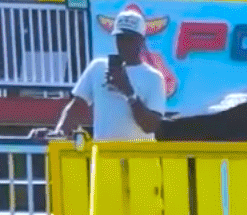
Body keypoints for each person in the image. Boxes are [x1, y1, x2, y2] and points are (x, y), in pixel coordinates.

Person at [54, 11, 167, 141]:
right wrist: (59, 132)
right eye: (120, 38)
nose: (124, 44)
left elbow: (151, 126)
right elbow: (77, 106)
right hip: (104, 157)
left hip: (139, 158)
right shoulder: (98, 67)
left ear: (141, 40)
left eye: (129, 38)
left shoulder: (154, 77)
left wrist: (128, 92)